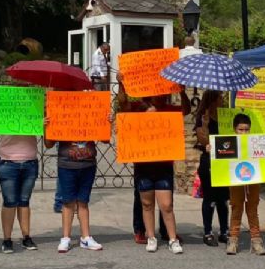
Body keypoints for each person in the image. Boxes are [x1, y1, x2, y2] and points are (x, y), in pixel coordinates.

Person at [117, 72, 189, 254]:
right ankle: (148, 234)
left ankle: (171, 237)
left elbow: (186, 110)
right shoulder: (137, 108)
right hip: (143, 163)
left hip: (163, 164)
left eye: (162, 91)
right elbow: (123, 104)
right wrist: (122, 84)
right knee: (145, 203)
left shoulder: (168, 109)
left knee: (166, 204)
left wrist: (181, 91)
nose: (159, 94)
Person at [43, 113, 104, 253]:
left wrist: (106, 121)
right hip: (67, 165)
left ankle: (86, 237)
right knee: (68, 202)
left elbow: (105, 139)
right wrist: (46, 126)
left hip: (88, 164)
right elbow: (48, 144)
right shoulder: (61, 113)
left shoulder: (91, 112)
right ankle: (65, 238)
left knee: (83, 201)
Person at [193, 90, 230, 246]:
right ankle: (208, 232)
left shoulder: (226, 116)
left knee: (223, 199)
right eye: (220, 97)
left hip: (224, 161)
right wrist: (206, 125)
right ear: (213, 100)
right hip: (209, 162)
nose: (222, 99)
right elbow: (203, 141)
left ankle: (224, 231)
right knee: (210, 198)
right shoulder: (201, 117)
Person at [226, 114, 265, 255]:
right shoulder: (229, 142)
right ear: (234, 129)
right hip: (236, 180)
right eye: (240, 129)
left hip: (252, 178)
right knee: (236, 208)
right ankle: (233, 239)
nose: (244, 133)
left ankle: (256, 240)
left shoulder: (255, 142)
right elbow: (219, 156)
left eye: (246, 130)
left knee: (252, 208)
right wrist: (210, 149)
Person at [0, 133, 39, 253]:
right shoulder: (0, 113)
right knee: (10, 201)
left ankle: (26, 237)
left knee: (24, 201)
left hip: (30, 161)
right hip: (7, 161)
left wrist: (44, 122)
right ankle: (7, 239)